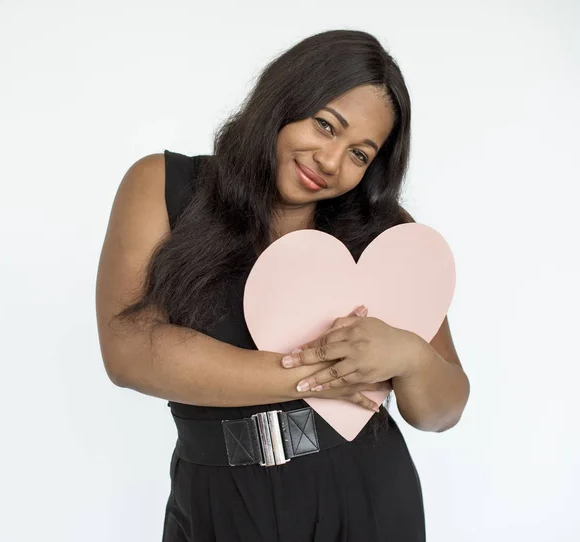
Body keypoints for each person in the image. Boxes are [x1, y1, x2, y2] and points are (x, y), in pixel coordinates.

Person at [96, 29, 469, 542]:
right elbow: (128, 351)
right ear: (283, 100)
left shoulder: (386, 235)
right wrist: (320, 374)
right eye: (324, 126)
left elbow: (442, 410)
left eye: (360, 154)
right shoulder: (164, 187)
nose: (331, 161)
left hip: (366, 495)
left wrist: (410, 357)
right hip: (217, 501)